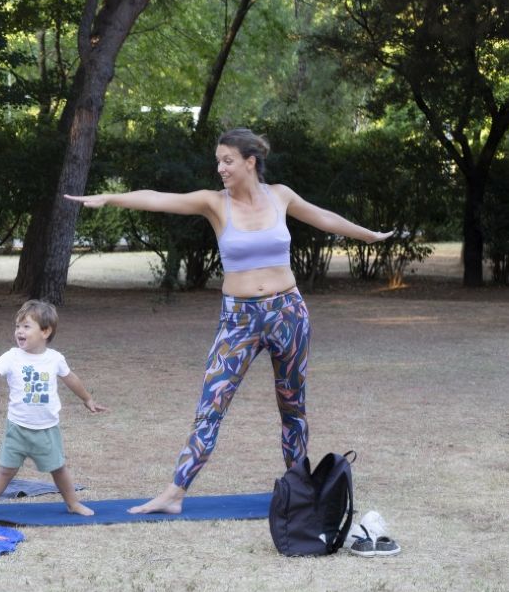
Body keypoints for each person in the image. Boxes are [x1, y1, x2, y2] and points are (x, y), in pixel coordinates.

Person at [64, 128, 393, 514]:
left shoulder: (280, 195)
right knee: (212, 404)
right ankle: (174, 493)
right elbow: (159, 198)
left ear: (250, 162)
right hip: (239, 319)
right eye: (218, 161)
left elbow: (322, 217)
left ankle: (300, 491)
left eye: (228, 161)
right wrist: (110, 198)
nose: (220, 168)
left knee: (292, 407)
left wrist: (367, 235)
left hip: (288, 313)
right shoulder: (214, 203)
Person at [0, 299, 107, 519]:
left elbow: (71, 379)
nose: (19, 331)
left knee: (58, 468)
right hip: (17, 428)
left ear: (45, 331)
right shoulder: (12, 356)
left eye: (26, 326)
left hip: (46, 429)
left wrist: (87, 399)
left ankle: (73, 504)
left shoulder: (54, 359)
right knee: (5, 470)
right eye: (17, 326)